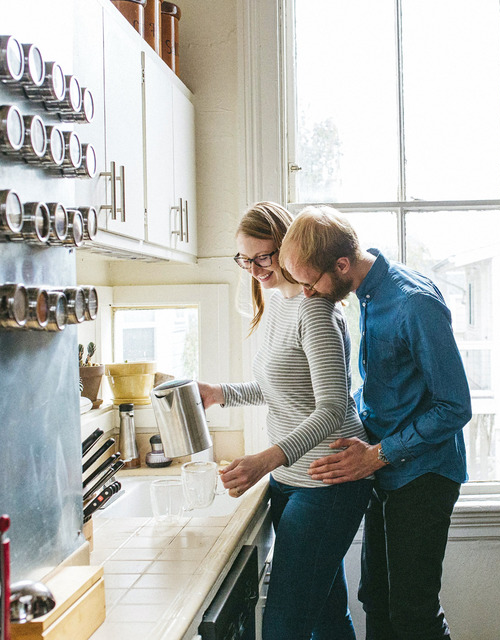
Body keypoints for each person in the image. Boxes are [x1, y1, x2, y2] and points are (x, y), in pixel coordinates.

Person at [279, 206, 473, 640]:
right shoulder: (367, 295)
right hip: (384, 470)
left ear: (341, 265)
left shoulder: (412, 303)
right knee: (376, 600)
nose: (307, 294)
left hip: (423, 475)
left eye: (311, 283)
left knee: (413, 614)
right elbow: (388, 388)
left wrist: (377, 455)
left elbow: (455, 406)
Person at [196, 202, 373, 640]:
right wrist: (220, 393)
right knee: (327, 618)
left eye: (263, 257)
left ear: (288, 247)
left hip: (329, 482)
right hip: (291, 481)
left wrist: (266, 460)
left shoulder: (316, 312)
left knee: (283, 628)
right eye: (245, 260)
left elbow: (331, 409)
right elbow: (282, 388)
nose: (255, 270)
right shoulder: (278, 303)